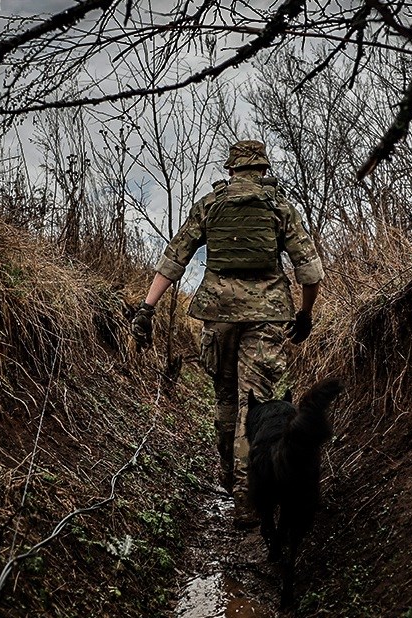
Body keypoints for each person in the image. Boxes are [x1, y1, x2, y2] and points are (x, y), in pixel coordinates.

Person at [130, 139, 325, 529]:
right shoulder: (280, 208)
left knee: (225, 396)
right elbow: (309, 269)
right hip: (267, 315)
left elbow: (174, 259)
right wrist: (304, 314)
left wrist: (147, 307)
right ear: (264, 170)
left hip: (217, 315)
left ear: (231, 169)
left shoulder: (209, 204)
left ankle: (226, 472)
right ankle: (247, 497)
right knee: (256, 404)